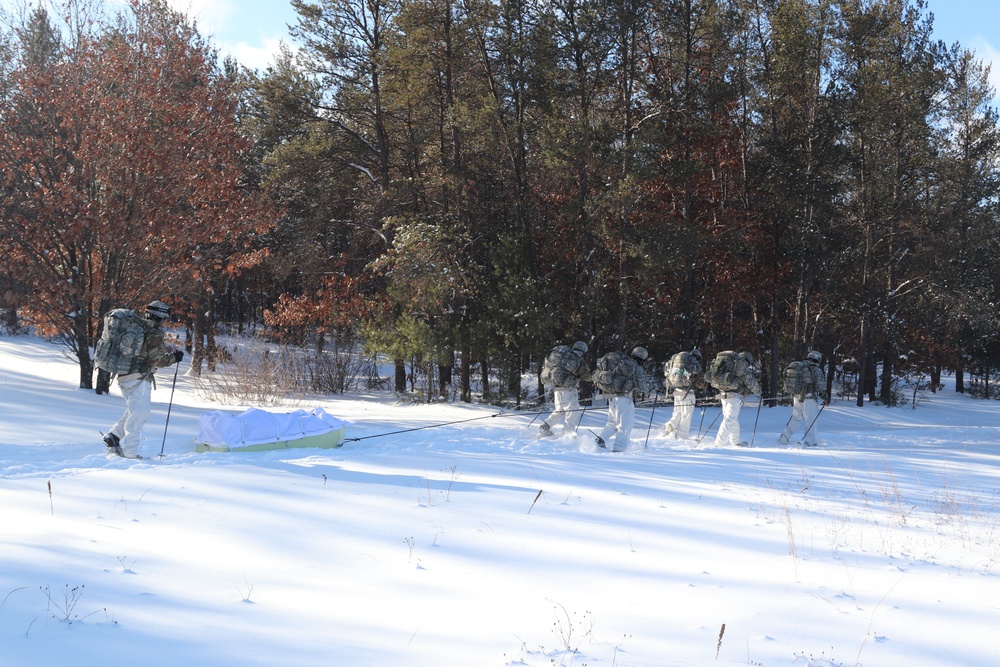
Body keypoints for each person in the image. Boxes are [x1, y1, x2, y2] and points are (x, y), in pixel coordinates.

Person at [102, 300, 184, 459]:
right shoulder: (153, 333)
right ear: (159, 317)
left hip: (129, 375)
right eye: (164, 319)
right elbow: (157, 360)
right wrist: (174, 358)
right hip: (137, 376)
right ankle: (131, 453)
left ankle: (113, 436)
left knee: (136, 410)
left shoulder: (139, 329)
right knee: (139, 413)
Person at [593, 347, 659, 452]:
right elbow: (644, 387)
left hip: (612, 397)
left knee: (613, 422)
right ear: (643, 358)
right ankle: (619, 449)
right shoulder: (634, 367)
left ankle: (600, 440)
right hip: (624, 398)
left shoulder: (621, 363)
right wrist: (653, 387)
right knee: (625, 425)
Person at [705, 350, 760, 448]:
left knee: (732, 419)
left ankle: (735, 442)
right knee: (729, 419)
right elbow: (750, 382)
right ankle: (718, 444)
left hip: (723, 392)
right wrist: (759, 392)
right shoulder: (741, 365)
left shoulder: (730, 364)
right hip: (734, 396)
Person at [538, 341, 592, 437]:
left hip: (557, 388)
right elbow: (586, 376)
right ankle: (567, 436)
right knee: (573, 413)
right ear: (584, 351)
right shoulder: (577, 359)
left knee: (560, 410)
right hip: (569, 389)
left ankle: (545, 426)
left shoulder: (561, 356)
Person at [778, 350, 827, 447]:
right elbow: (820, 386)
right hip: (809, 397)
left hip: (797, 396)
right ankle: (810, 441)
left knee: (796, 418)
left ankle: (784, 437)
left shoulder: (799, 366)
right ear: (818, 359)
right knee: (811, 420)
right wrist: (825, 397)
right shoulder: (815, 369)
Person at [663, 348, 704, 439]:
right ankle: (682, 436)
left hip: (677, 390)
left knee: (677, 413)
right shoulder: (693, 363)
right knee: (686, 415)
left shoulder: (678, 361)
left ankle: (670, 426)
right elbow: (699, 375)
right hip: (688, 392)